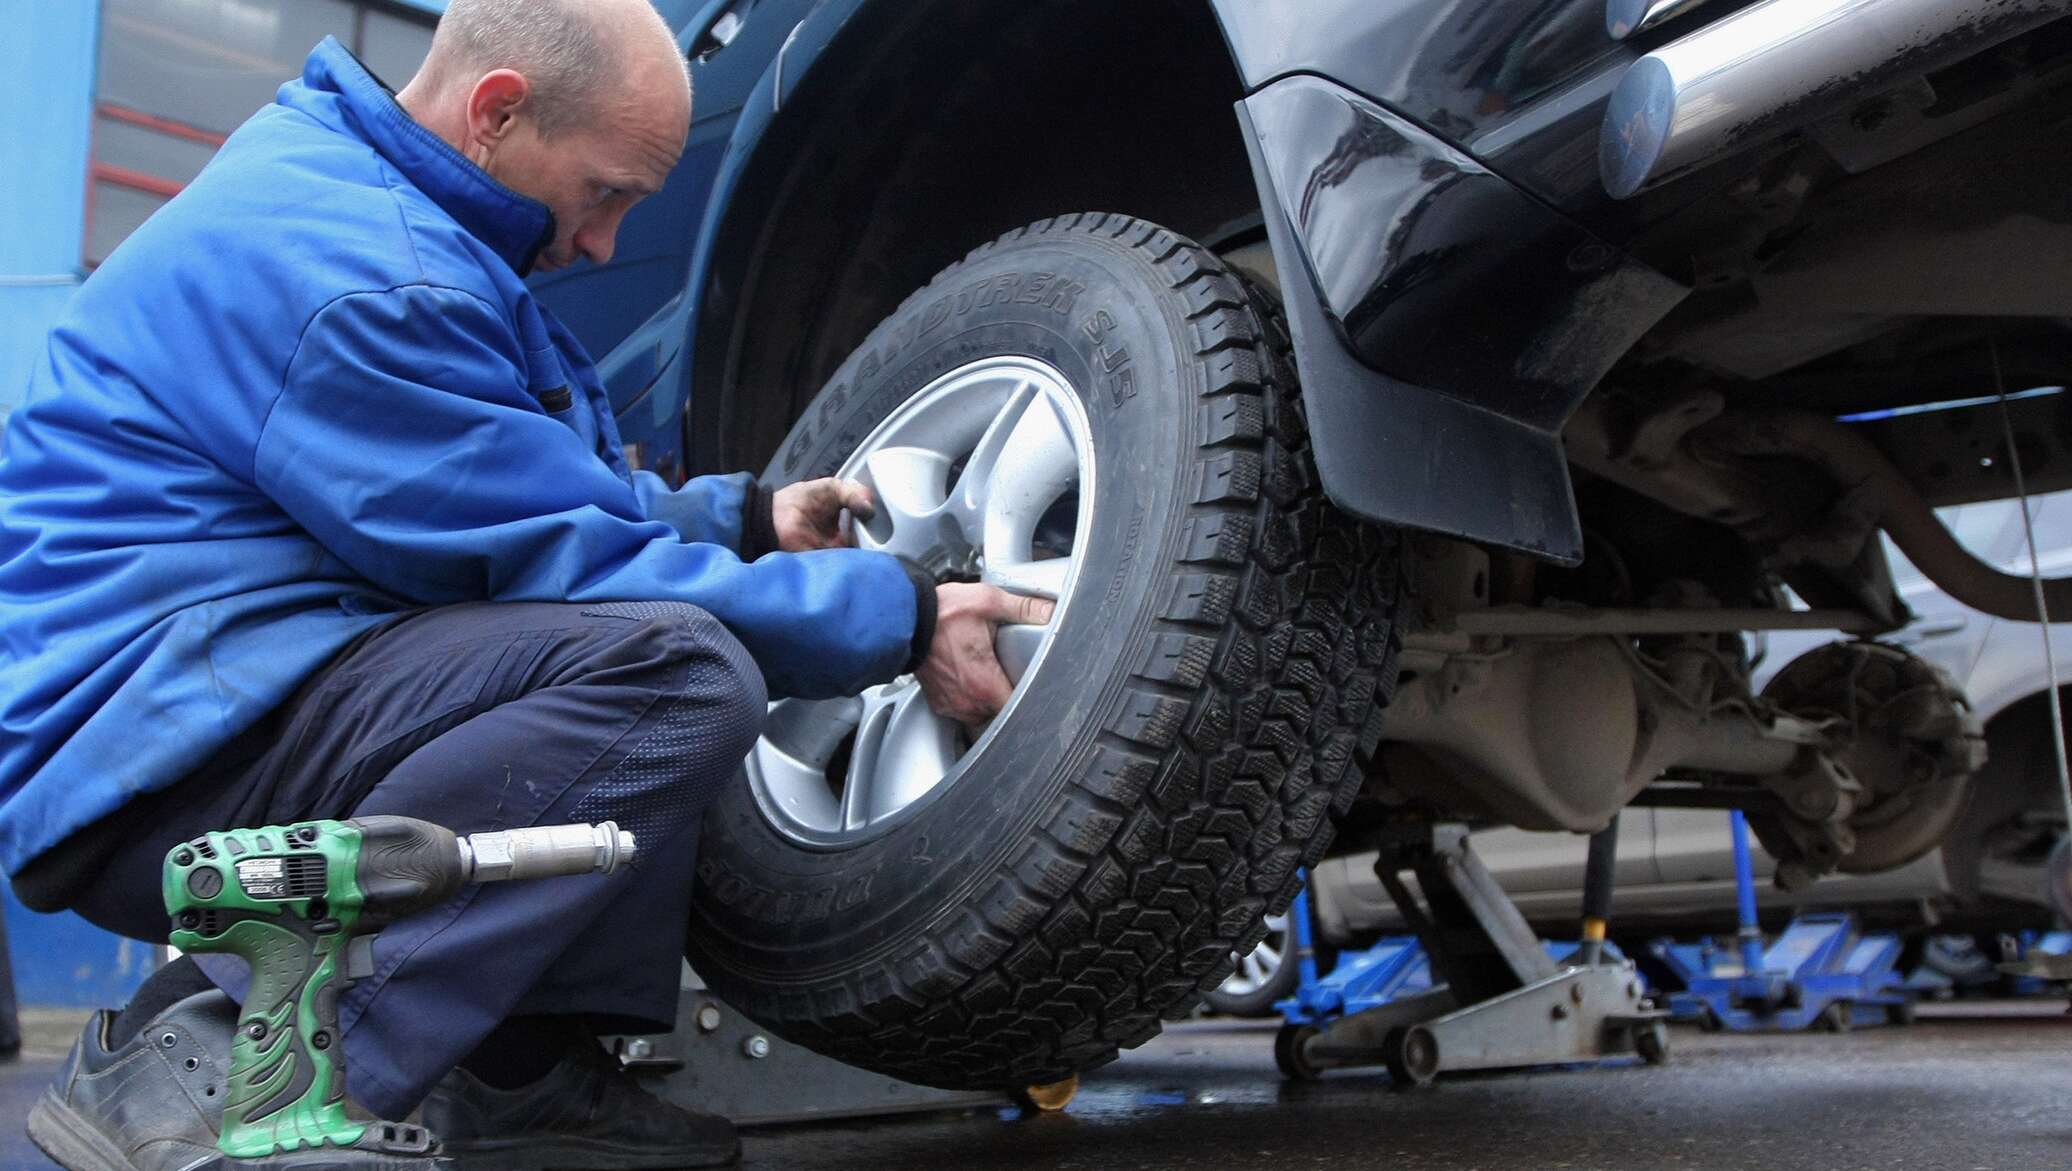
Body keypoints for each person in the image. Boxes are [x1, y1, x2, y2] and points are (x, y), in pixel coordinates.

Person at [0, 1, 1047, 1167]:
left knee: (641, 627)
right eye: (605, 194)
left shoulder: (377, 206)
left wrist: (743, 517)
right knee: (671, 666)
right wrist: (903, 614)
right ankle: (228, 1056)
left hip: (219, 695)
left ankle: (509, 1070)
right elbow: (567, 559)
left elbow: (525, 484)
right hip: (153, 762)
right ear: (497, 110)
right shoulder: (365, 273)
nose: (603, 242)